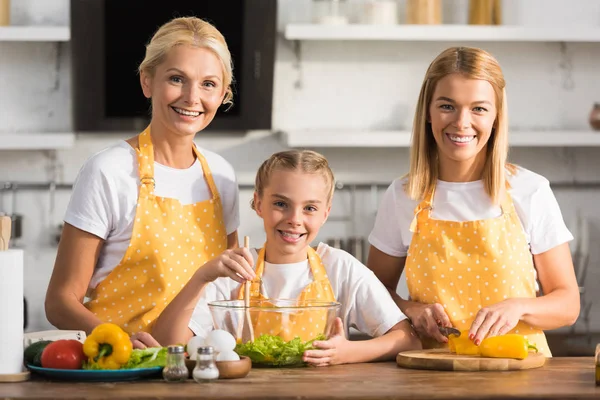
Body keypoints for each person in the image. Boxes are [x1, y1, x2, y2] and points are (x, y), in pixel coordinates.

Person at [367, 47, 580, 357]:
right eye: (447, 106)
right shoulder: (403, 195)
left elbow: (568, 304)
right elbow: (373, 293)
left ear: (496, 117)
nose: (461, 122)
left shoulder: (529, 190)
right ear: (428, 111)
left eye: (478, 108)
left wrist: (517, 308)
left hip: (520, 376)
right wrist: (411, 309)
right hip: (431, 375)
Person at [45, 17, 240, 348]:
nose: (193, 97)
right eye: (177, 79)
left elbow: (226, 289)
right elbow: (60, 301)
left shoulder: (221, 176)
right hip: (119, 369)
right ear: (147, 82)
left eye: (208, 84)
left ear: (222, 95)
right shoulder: (109, 170)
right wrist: (119, 343)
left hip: (196, 366)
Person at [153, 150, 421, 365]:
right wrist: (202, 276)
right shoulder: (235, 272)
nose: (294, 220)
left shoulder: (340, 267)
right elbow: (170, 344)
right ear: (258, 204)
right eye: (281, 204)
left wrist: (348, 352)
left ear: (325, 213)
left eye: (309, 208)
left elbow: (407, 339)